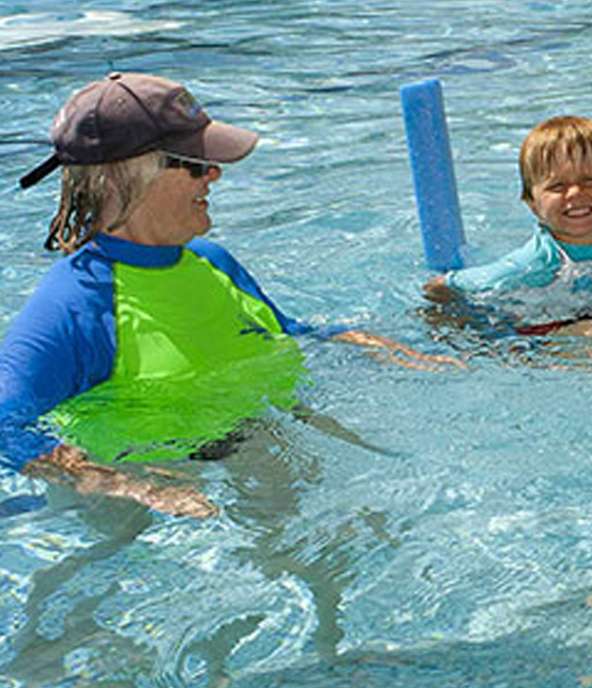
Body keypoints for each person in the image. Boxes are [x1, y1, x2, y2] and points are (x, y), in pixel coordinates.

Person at [1, 72, 448, 517]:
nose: (214, 175)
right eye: (195, 163)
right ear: (125, 179)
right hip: (161, 504)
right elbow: (6, 425)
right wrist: (130, 487)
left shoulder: (213, 262)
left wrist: (375, 347)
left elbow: (284, 330)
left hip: (260, 452)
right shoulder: (76, 303)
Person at [421, 115, 592, 335]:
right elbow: (448, 285)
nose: (575, 192)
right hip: (540, 328)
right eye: (557, 186)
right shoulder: (534, 263)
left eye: (590, 181)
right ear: (532, 203)